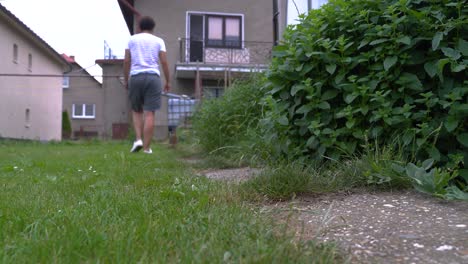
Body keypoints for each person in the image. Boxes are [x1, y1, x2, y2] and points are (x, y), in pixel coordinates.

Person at [123, 16, 170, 154]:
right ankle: (147, 148)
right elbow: (164, 62)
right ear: (152, 28)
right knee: (149, 113)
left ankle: (138, 139)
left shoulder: (132, 40)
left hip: (136, 76)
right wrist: (168, 81)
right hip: (153, 77)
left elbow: (126, 61)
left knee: (137, 110)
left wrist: (126, 80)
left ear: (139, 27)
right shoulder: (159, 41)